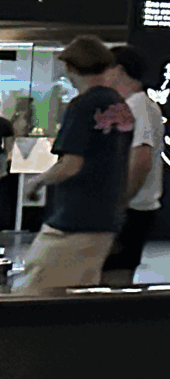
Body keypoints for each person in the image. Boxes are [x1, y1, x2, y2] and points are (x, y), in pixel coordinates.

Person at [23, 36, 134, 293]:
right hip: (105, 216)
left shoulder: (83, 106)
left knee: (36, 288)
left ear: (71, 67)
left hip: (74, 218)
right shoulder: (120, 106)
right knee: (78, 289)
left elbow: (71, 164)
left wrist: (37, 181)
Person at [100, 45, 164, 287]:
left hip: (131, 210)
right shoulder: (134, 106)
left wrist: (119, 203)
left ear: (118, 70)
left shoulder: (139, 106)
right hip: (129, 208)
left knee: (115, 277)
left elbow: (141, 158)